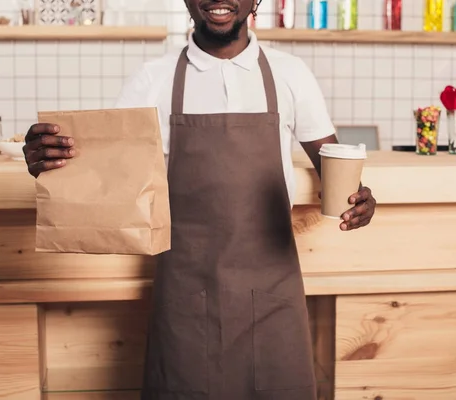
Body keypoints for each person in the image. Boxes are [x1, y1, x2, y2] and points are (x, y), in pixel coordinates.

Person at [23, 0, 377, 398]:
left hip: (273, 291)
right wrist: (49, 164)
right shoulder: (153, 79)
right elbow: (106, 179)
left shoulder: (289, 74)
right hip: (186, 294)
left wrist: (359, 196)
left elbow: (335, 166)